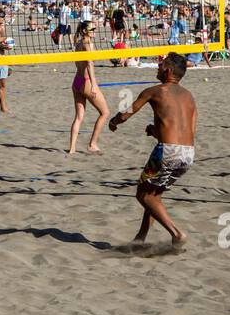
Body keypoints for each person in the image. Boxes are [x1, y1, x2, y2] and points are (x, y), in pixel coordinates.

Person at [108, 52, 196, 245]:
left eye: (161, 64)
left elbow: (125, 114)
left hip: (167, 152)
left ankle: (176, 233)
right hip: (188, 154)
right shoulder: (189, 96)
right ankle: (140, 238)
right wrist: (156, 131)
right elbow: (186, 131)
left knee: (143, 194)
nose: (158, 66)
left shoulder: (155, 91)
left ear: (169, 70)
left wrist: (113, 122)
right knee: (154, 195)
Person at [68, 21, 108, 154]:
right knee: (105, 113)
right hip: (86, 82)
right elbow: (90, 64)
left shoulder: (78, 43)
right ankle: (93, 144)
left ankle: (72, 149)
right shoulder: (87, 43)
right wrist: (94, 85)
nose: (95, 30)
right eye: (92, 29)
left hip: (76, 81)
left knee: (78, 117)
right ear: (85, 31)